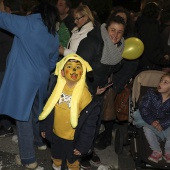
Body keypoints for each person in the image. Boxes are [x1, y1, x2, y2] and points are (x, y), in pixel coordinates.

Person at [0, 1, 60, 169]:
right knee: (36, 112)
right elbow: (52, 62)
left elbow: (2, 18)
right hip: (41, 79)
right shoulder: (53, 34)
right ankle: (39, 141)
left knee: (22, 117)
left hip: (24, 79)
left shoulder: (27, 23)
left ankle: (28, 159)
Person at [76, 14, 126, 168]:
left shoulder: (118, 47)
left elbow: (114, 68)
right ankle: (77, 154)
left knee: (94, 124)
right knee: (81, 124)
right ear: (106, 28)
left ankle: (88, 150)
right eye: (112, 30)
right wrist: (91, 89)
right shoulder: (92, 42)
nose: (115, 35)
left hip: (99, 91)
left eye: (119, 32)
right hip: (84, 90)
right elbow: (77, 69)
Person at [39, 53, 101, 170]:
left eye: (78, 67)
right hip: (55, 134)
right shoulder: (56, 88)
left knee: (73, 163)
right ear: (62, 72)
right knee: (56, 158)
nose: (73, 69)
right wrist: (44, 128)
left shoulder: (85, 95)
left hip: (73, 139)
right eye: (69, 66)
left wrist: (83, 145)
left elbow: (89, 124)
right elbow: (47, 109)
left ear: (82, 72)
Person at [134, 72, 170, 163]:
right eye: (161, 81)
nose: (161, 83)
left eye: (165, 82)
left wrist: (162, 124)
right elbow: (144, 108)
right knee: (146, 128)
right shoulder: (151, 93)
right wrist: (152, 121)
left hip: (165, 123)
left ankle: (168, 151)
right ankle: (156, 151)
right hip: (149, 119)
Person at [0, 0, 24, 137]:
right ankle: (11, 124)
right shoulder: (20, 24)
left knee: (4, 98)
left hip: (4, 67)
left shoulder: (6, 26)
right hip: (14, 67)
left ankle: (7, 126)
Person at [135, 2, 170, 74]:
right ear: (157, 13)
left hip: (142, 65)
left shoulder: (140, 24)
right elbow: (152, 51)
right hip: (149, 67)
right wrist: (165, 61)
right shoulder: (151, 27)